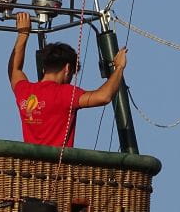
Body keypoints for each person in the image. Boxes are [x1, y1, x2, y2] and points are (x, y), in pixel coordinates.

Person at [7, 11, 128, 147]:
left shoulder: (25, 91)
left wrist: (23, 33)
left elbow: (14, 70)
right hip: (59, 167)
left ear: (44, 68)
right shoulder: (66, 94)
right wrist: (119, 68)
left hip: (31, 167)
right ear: (67, 69)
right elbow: (104, 96)